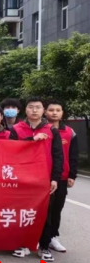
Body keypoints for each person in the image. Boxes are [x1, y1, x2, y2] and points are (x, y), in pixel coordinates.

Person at [12, 97, 63, 262]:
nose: (34, 110)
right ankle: (22, 244)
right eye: (31, 107)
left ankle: (44, 246)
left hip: (44, 179)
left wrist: (55, 178)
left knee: (45, 213)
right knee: (22, 212)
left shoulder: (51, 130)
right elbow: (10, 149)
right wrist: (31, 140)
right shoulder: (16, 129)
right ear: (25, 110)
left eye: (38, 107)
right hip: (22, 178)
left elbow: (58, 156)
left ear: (43, 111)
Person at [45, 99, 78, 253]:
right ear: (45, 112)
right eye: (51, 110)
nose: (54, 113)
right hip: (42, 176)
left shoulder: (70, 132)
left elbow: (73, 155)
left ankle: (53, 237)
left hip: (61, 178)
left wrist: (72, 175)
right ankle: (39, 237)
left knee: (56, 208)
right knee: (42, 209)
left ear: (62, 113)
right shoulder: (41, 130)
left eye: (58, 110)